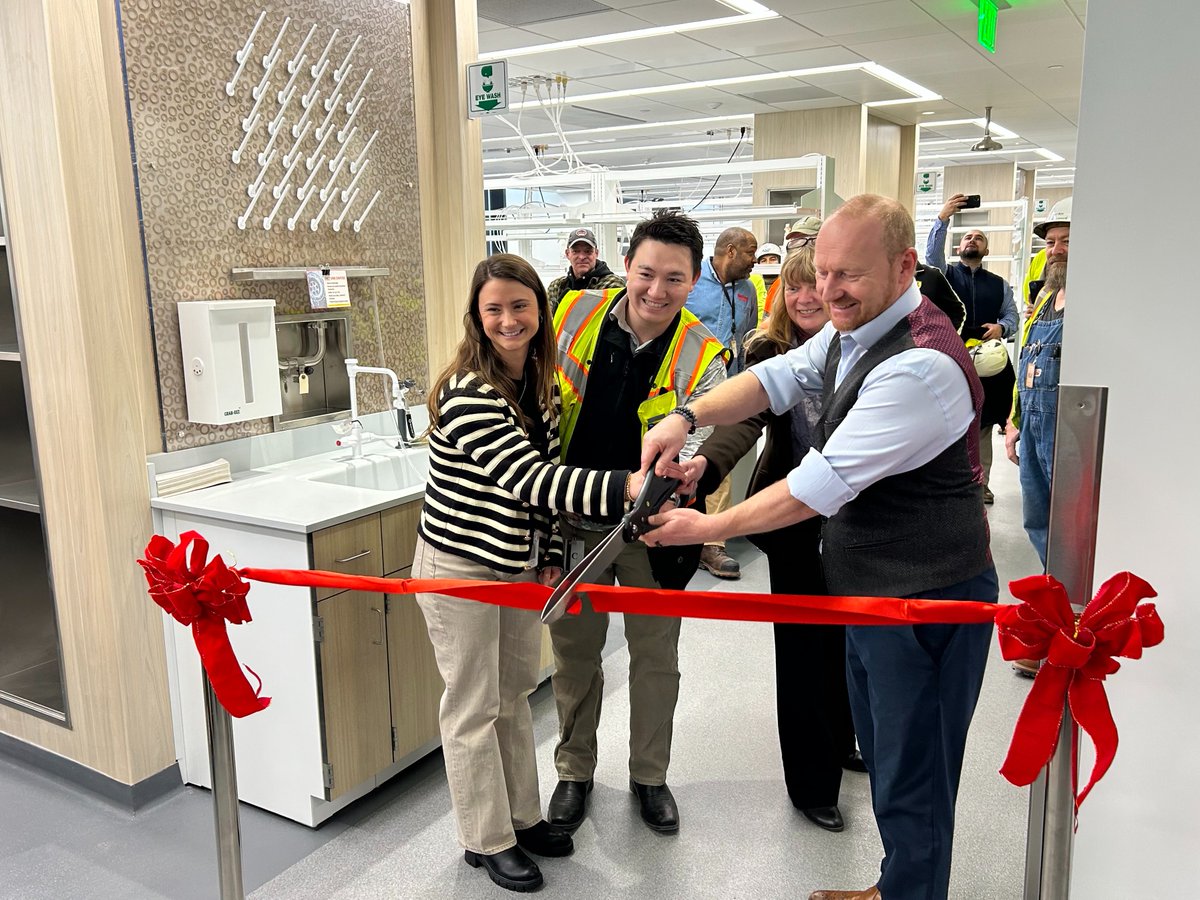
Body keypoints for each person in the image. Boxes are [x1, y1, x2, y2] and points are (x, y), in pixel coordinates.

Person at [641, 194, 998, 900]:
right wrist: (686, 415)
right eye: (822, 271)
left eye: (849, 276)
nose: (828, 290)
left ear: (904, 266)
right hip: (870, 593)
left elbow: (817, 486)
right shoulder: (854, 333)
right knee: (890, 760)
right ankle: (896, 887)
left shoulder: (919, 366)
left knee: (914, 777)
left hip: (926, 600)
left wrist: (708, 527)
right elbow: (777, 377)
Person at [415, 253, 655, 893]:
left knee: (513, 694)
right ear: (477, 318)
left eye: (520, 305)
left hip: (514, 563)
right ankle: (485, 838)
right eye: (493, 309)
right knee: (471, 707)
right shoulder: (470, 393)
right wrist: (627, 487)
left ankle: (522, 819)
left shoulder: (541, 384)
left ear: (539, 312)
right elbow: (532, 480)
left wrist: (549, 554)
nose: (508, 319)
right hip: (459, 567)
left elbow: (538, 487)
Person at [547, 210, 727, 836]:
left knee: (656, 660)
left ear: (694, 278)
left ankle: (650, 777)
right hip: (575, 519)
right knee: (574, 658)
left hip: (658, 531)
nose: (657, 290)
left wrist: (697, 463)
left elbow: (706, 432)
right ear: (625, 266)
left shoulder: (704, 353)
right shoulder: (571, 316)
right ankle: (574, 772)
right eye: (646, 273)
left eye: (674, 279)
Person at [689, 246, 861, 835]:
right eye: (794, 288)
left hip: (858, 526)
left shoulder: (869, 349)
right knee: (804, 653)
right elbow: (741, 421)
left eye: (816, 284)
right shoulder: (771, 352)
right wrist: (702, 471)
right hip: (791, 524)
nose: (807, 297)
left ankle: (842, 742)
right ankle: (813, 785)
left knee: (845, 644)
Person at [926, 192, 1019, 504]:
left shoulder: (998, 284)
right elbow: (931, 256)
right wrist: (943, 218)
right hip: (950, 359)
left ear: (986, 249)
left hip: (988, 365)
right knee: (946, 422)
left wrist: (1001, 327)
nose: (973, 240)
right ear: (958, 247)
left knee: (982, 426)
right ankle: (945, 485)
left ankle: (982, 484)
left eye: (979, 237)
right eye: (968, 236)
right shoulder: (946, 275)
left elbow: (1012, 315)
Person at [683, 226, 758, 579]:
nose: (755, 262)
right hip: (687, 388)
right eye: (750, 253)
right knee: (681, 458)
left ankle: (713, 543)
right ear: (730, 251)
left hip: (730, 389)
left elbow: (749, 337)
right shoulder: (693, 284)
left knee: (717, 460)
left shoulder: (747, 290)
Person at [1005, 198, 1072, 567]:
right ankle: (1055, 589)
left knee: (1070, 523)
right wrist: (1014, 421)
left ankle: (1075, 603)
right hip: (1032, 423)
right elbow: (1028, 363)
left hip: (1068, 430)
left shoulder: (1096, 302)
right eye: (1050, 243)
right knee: (1036, 518)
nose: (1056, 250)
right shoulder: (1046, 298)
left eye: (1066, 241)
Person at [546, 227, 625, 311]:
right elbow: (548, 320)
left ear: (596, 253)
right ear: (567, 254)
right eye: (576, 251)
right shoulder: (556, 286)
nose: (582, 257)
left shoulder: (611, 284)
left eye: (588, 251)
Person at [751, 241, 782, 322]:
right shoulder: (752, 284)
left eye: (772, 259)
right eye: (763, 260)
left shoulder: (785, 284)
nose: (768, 263)